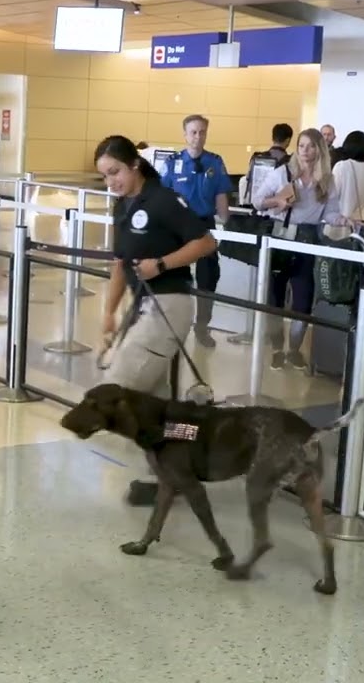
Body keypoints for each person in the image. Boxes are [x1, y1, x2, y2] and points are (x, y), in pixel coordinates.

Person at [94, 134, 218, 507]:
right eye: (103, 176)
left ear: (134, 164)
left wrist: (161, 264)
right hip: (142, 308)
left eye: (114, 172)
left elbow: (206, 242)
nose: (110, 181)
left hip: (170, 305)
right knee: (156, 401)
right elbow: (120, 265)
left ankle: (194, 444)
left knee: (117, 393)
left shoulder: (163, 200)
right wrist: (108, 316)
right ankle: (174, 470)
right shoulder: (122, 207)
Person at [254, 127, 344, 371]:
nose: (305, 151)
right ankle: (276, 348)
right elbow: (257, 200)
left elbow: (331, 212)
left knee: (303, 300)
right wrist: (278, 202)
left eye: (311, 146)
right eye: (302, 145)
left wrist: (342, 220)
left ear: (319, 149)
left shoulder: (327, 180)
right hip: (281, 237)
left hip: (309, 240)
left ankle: (293, 349)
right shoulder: (283, 173)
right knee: (275, 298)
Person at [160, 114, 231, 348]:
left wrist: (227, 224)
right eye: (193, 132)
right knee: (175, 275)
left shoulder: (215, 162)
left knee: (208, 278)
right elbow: (163, 196)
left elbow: (221, 195)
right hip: (178, 225)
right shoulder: (173, 162)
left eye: (202, 132)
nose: (197, 137)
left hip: (204, 224)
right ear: (185, 134)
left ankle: (202, 326)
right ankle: (173, 324)